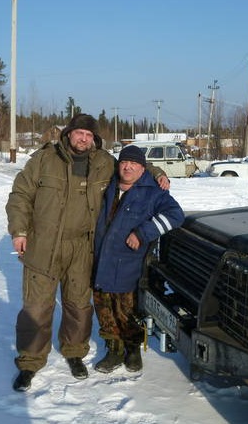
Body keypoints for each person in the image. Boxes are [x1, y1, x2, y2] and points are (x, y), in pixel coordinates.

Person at [5, 114, 169, 392]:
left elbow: (131, 165)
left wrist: (156, 172)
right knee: (37, 307)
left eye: (89, 135)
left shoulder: (104, 162)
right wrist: (19, 231)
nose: (84, 139)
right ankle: (30, 363)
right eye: (79, 133)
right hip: (43, 245)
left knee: (78, 306)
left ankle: (74, 352)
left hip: (82, 246)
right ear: (68, 134)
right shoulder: (44, 159)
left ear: (95, 139)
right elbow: (20, 194)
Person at [92, 145, 184, 374]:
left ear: (143, 168)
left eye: (134, 164)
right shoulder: (108, 185)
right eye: (124, 162)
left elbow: (176, 215)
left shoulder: (153, 192)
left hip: (129, 266)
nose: (128, 167)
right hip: (102, 261)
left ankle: (132, 350)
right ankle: (113, 350)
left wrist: (144, 233)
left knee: (128, 311)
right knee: (105, 309)